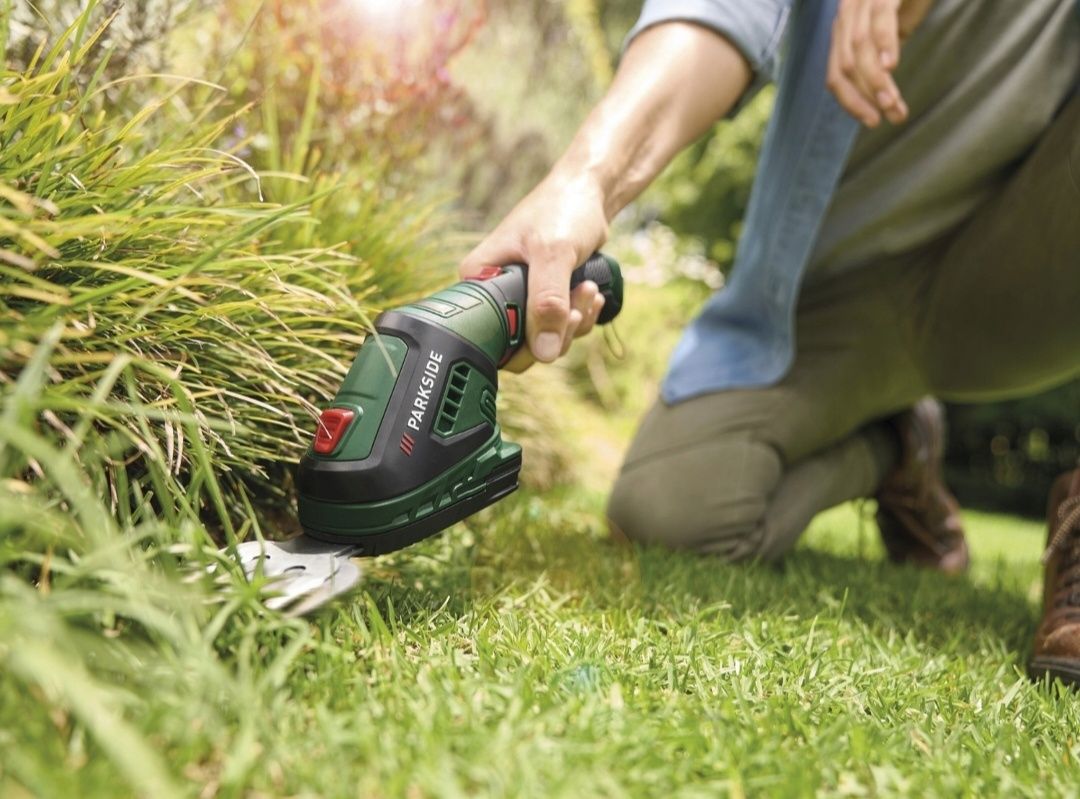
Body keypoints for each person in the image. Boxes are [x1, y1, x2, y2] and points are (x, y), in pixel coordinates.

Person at [459, 0, 1080, 684]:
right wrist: (585, 182)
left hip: (1028, 285)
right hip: (840, 287)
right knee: (669, 509)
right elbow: (718, 10)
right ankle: (897, 445)